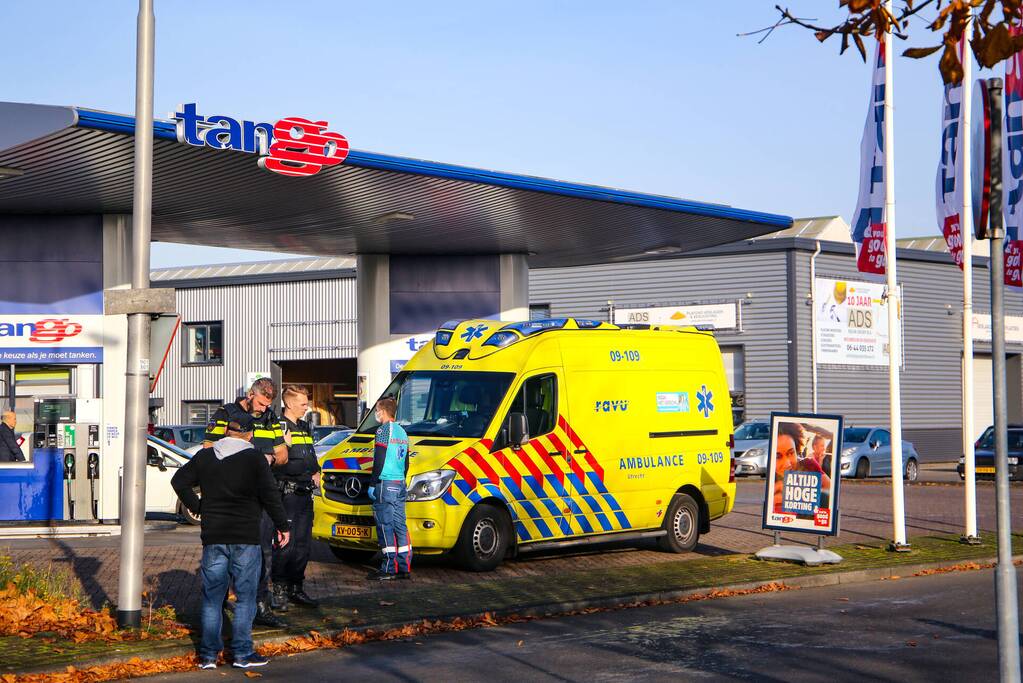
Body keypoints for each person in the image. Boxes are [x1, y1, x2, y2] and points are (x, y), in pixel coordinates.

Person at [172, 420, 291, 670]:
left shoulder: (205, 456)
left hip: (214, 535)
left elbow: (179, 481)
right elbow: (270, 495)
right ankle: (242, 653)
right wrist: (283, 526)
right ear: (249, 435)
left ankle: (207, 656)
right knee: (246, 597)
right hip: (245, 536)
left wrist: (198, 506)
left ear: (226, 432)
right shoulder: (254, 459)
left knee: (212, 597)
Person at [204, 378, 288, 627]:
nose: (263, 408)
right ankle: (217, 609)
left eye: (267, 404)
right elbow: (208, 449)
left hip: (258, 496)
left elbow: (282, 454)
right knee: (222, 555)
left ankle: (259, 606)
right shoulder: (225, 414)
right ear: (250, 394)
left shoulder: (271, 418)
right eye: (261, 403)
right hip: (229, 495)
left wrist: (267, 460)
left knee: (262, 553)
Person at [270, 385, 321, 610]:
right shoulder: (280, 428)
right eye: (302, 403)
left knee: (303, 545)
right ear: (289, 404)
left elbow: (309, 456)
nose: (306, 407)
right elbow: (277, 461)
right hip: (287, 495)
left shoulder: (302, 427)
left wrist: (316, 471)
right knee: (285, 545)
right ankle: (279, 589)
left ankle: (296, 588)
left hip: (304, 494)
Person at [368, 396, 411, 580]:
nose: (376, 414)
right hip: (400, 482)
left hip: (385, 483)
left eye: (377, 410)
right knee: (400, 525)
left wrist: (372, 483)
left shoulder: (383, 430)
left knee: (385, 525)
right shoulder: (402, 432)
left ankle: (388, 567)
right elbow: (407, 462)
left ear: (383, 411)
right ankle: (404, 566)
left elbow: (380, 458)